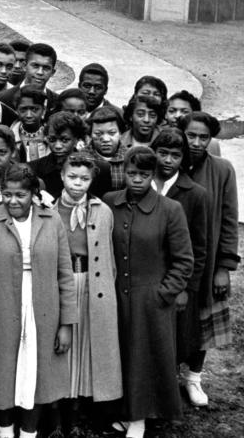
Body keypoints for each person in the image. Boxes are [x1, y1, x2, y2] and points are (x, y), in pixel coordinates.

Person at [0, 162, 76, 438]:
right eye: (7, 194)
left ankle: (29, 433)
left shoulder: (52, 222)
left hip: (44, 310)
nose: (13, 201)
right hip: (3, 310)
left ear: (33, 194)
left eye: (21, 195)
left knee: (37, 374)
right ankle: (6, 432)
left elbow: (65, 275)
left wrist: (66, 324)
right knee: (3, 374)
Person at [102, 147, 193, 438]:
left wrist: (163, 293)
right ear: (123, 173)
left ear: (152, 175)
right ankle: (123, 411)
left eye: (143, 174)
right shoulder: (108, 203)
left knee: (144, 356)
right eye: (132, 174)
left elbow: (184, 260)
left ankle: (140, 418)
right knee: (121, 355)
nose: (137, 180)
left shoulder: (170, 210)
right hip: (114, 294)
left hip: (151, 298)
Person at [49, 153, 123, 437]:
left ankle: (82, 409)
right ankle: (58, 412)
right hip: (63, 284)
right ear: (62, 177)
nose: (77, 184)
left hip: (93, 285)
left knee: (87, 345)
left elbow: (108, 253)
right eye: (72, 177)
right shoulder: (49, 209)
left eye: (84, 179)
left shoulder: (101, 210)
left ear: (92, 181)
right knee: (61, 344)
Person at [179, 112, 239, 407]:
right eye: (191, 135)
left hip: (209, 259)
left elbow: (229, 219)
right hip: (175, 258)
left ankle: (193, 377)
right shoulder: (169, 163)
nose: (197, 142)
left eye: (204, 137)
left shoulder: (223, 169)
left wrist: (224, 267)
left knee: (204, 317)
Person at [150, 129, 209, 398]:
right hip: (144, 274)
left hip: (175, 278)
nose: (168, 160)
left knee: (173, 337)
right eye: (162, 153)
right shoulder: (140, 183)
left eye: (175, 155)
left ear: (183, 158)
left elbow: (199, 246)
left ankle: (169, 390)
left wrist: (186, 287)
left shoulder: (194, 193)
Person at [29, 111, 113, 199]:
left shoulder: (101, 169)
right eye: (52, 139)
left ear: (76, 139)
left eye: (65, 140)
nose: (58, 146)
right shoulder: (33, 168)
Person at [0, 43, 59, 114]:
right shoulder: (2, 99)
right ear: (24, 66)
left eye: (46, 68)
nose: (40, 72)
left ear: (52, 72)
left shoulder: (58, 102)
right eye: (35, 66)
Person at [166, 91, 221, 156]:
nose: (177, 115)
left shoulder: (211, 144)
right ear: (165, 114)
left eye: (185, 112)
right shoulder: (158, 137)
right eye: (172, 111)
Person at [85, 106, 127, 191]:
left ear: (121, 133)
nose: (106, 139)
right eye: (98, 133)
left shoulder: (130, 158)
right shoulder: (81, 158)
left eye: (112, 133)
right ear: (90, 134)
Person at [10, 85, 47, 162]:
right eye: (23, 109)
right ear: (16, 110)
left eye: (34, 109)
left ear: (44, 110)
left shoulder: (52, 137)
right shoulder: (9, 138)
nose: (29, 115)